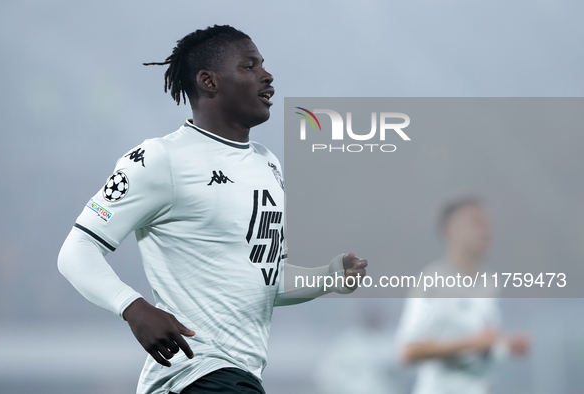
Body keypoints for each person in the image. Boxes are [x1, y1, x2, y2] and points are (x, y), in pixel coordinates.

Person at [57, 25, 367, 394]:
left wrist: (327, 276)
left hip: (235, 375)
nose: (267, 76)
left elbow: (263, 279)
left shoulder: (268, 165)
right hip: (200, 374)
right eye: (249, 66)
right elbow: (76, 251)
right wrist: (134, 308)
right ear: (209, 81)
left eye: (263, 66)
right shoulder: (161, 159)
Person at [395, 196, 528, 394]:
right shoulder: (434, 281)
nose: (487, 230)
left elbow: (482, 345)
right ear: (449, 231)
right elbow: (409, 350)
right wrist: (473, 344)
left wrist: (507, 344)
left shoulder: (488, 282)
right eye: (476, 222)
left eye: (488, 223)